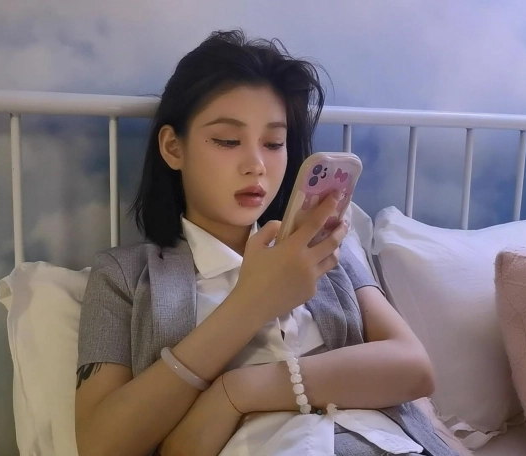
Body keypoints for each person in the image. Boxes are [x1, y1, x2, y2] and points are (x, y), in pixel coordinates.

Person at [74, 29, 457, 456]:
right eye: (227, 140)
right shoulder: (124, 275)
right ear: (173, 147)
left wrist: (236, 392)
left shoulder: (323, 245)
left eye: (274, 143)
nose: (256, 164)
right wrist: (251, 304)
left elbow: (413, 367)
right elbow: (101, 445)